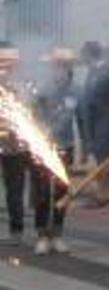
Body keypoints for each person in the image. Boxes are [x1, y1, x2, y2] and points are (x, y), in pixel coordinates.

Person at [30, 48, 80, 256]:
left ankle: (57, 234)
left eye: (65, 65)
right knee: (42, 191)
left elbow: (78, 116)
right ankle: (42, 235)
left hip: (65, 145)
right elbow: (33, 114)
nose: (61, 69)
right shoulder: (43, 88)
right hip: (42, 145)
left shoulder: (76, 89)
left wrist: (87, 148)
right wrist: (43, 133)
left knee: (61, 191)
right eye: (57, 64)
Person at [0, 42, 29, 248]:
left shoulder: (22, 86)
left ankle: (16, 230)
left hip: (14, 147)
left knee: (14, 189)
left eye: (10, 63)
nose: (6, 67)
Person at [78, 41, 109, 166]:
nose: (81, 59)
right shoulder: (93, 73)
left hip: (105, 132)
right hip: (96, 131)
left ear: (88, 54)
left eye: (82, 54)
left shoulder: (105, 73)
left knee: (105, 169)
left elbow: (92, 103)